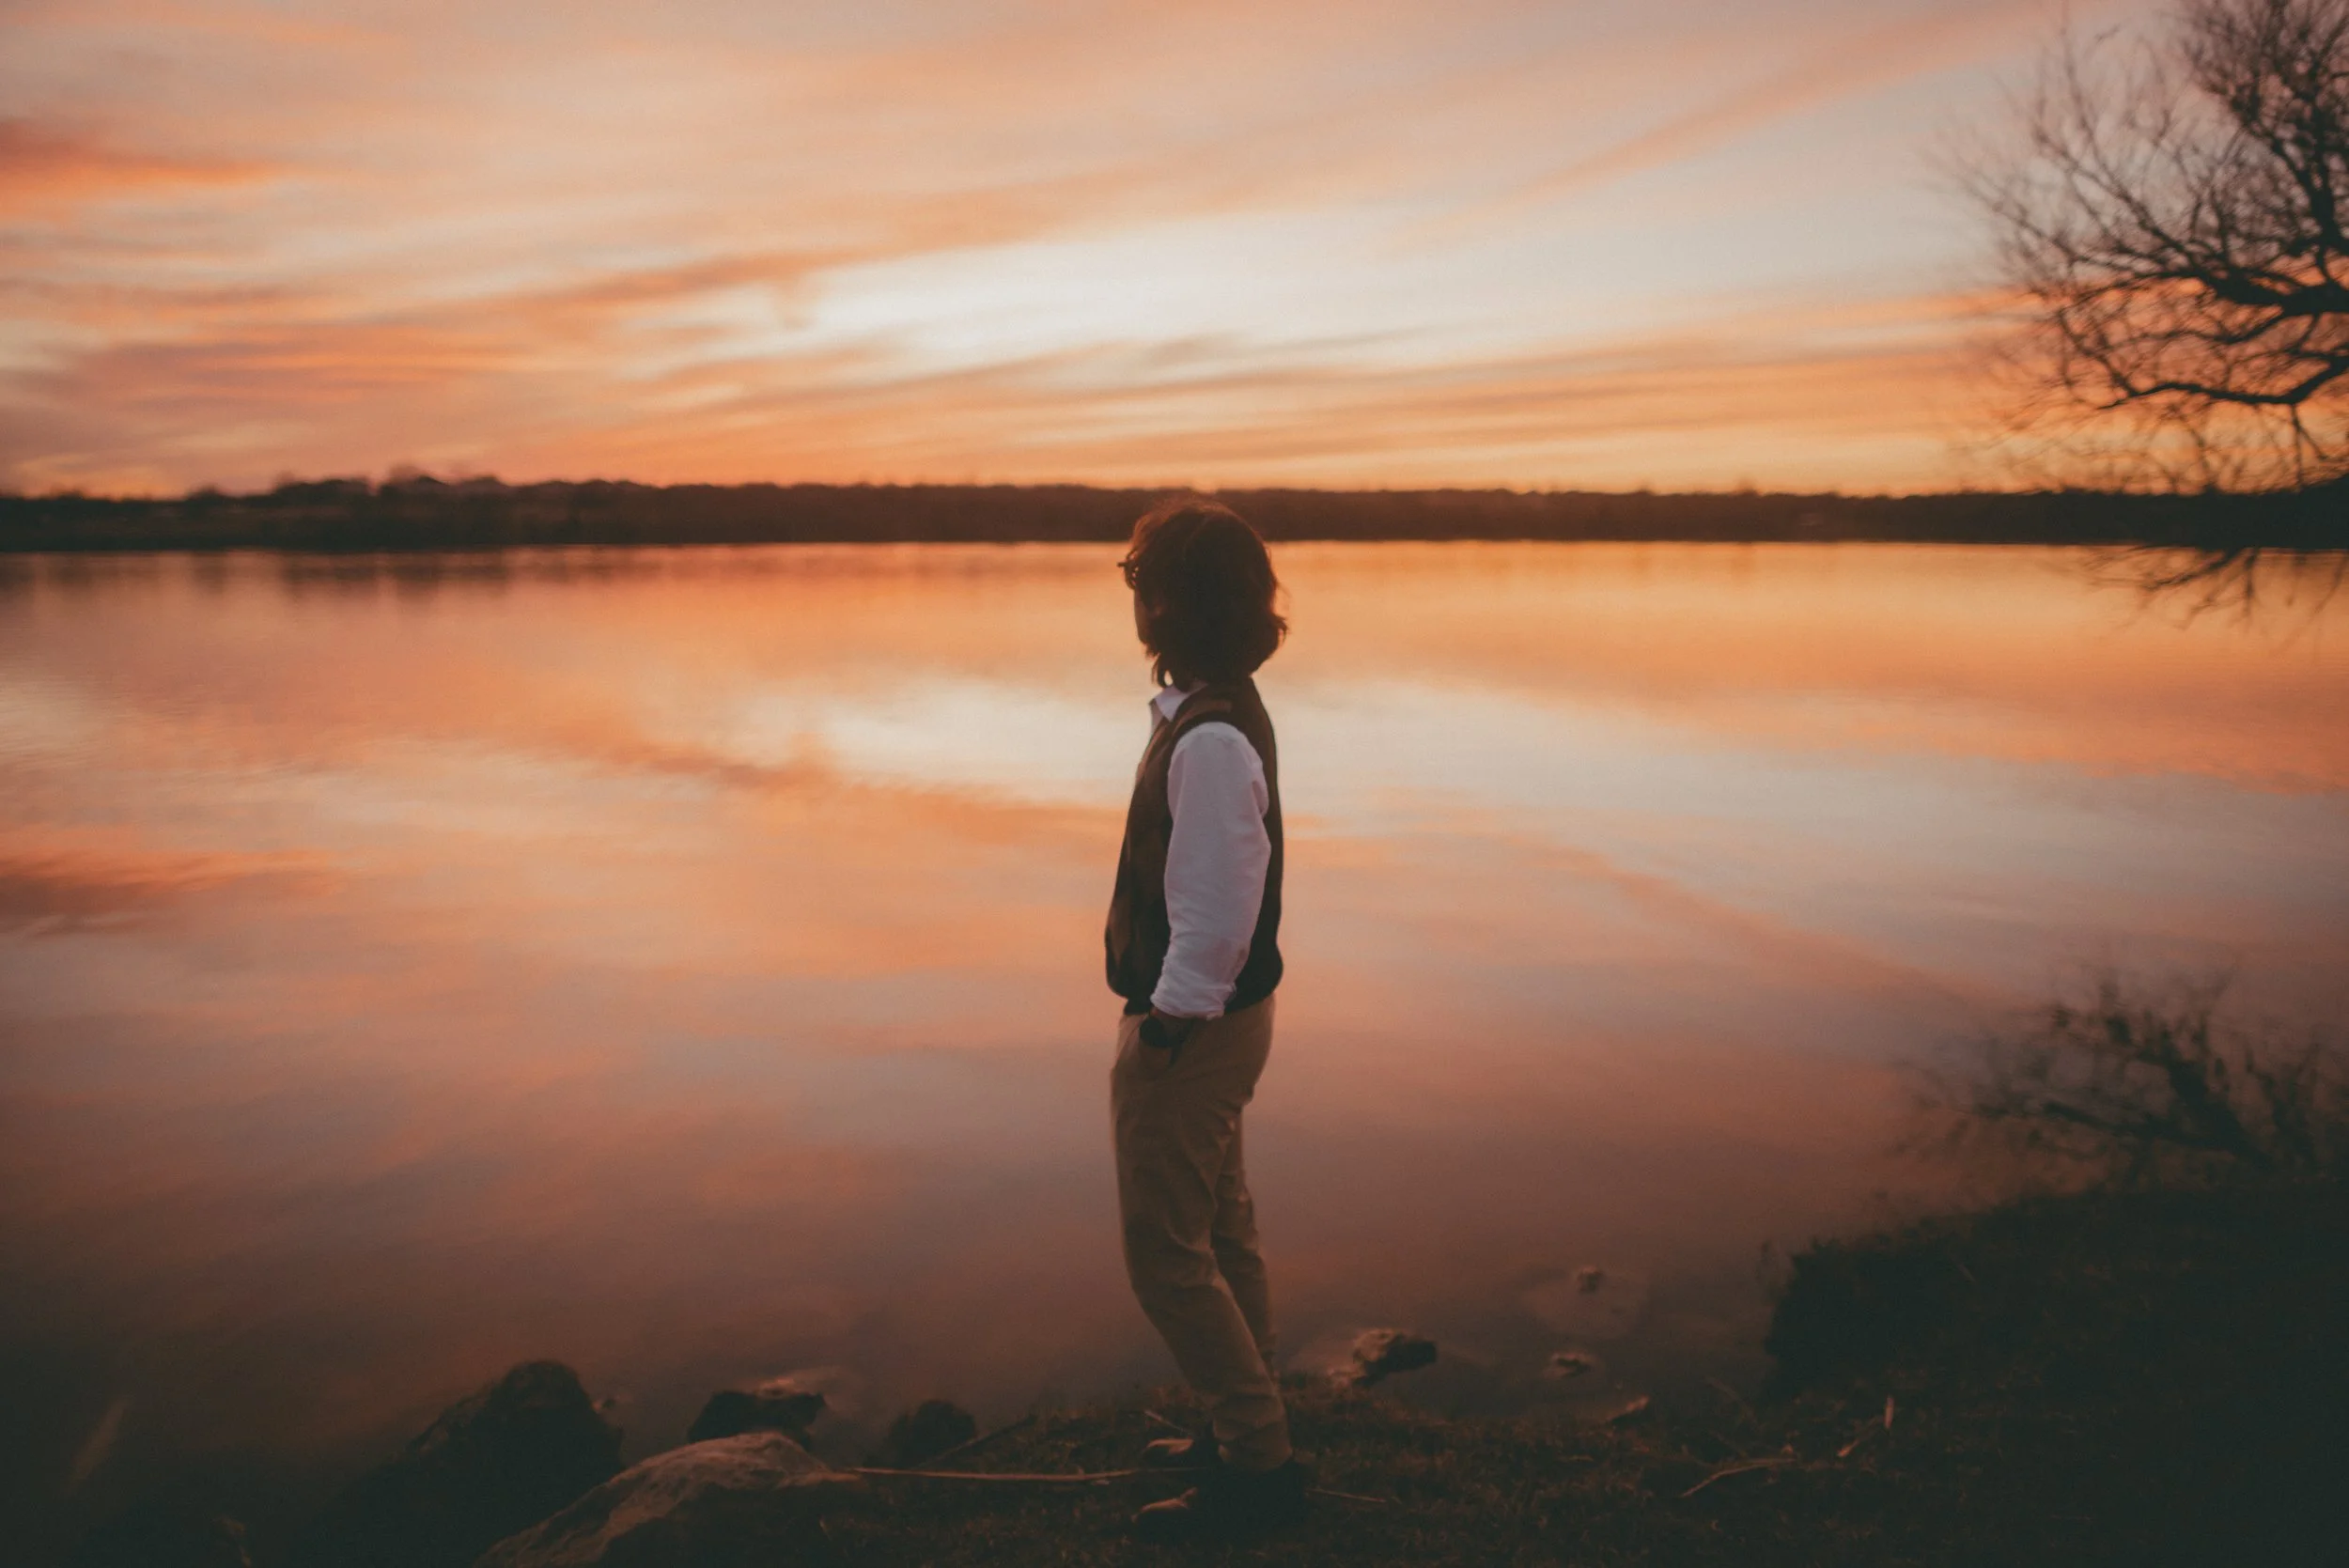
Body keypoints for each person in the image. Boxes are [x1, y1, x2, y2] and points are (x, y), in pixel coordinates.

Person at [1103, 495, 1308, 1540]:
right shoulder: (1207, 715)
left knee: (1166, 1253)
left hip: (1199, 1029)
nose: (1134, 599)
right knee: (1223, 1229)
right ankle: (1244, 1431)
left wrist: (1167, 1027)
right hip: (1225, 1019)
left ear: (1177, 601)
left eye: (1144, 581)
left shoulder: (1212, 739)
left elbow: (1219, 908)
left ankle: (1259, 1467)